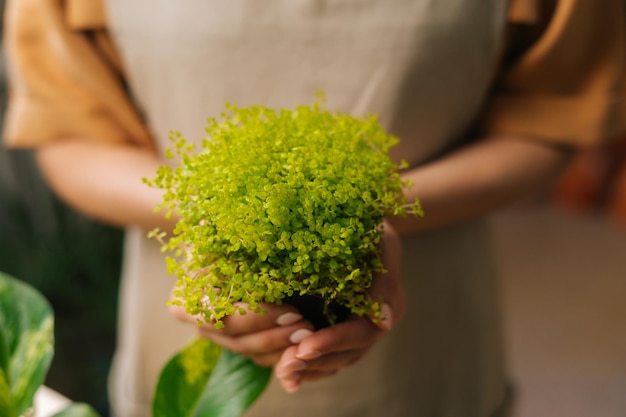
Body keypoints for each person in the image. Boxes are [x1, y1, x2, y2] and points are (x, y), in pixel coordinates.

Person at [3, 1, 624, 416]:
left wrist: (362, 215)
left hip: (428, 333)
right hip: (190, 320)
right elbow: (67, 130)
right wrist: (217, 221)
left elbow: (552, 119)